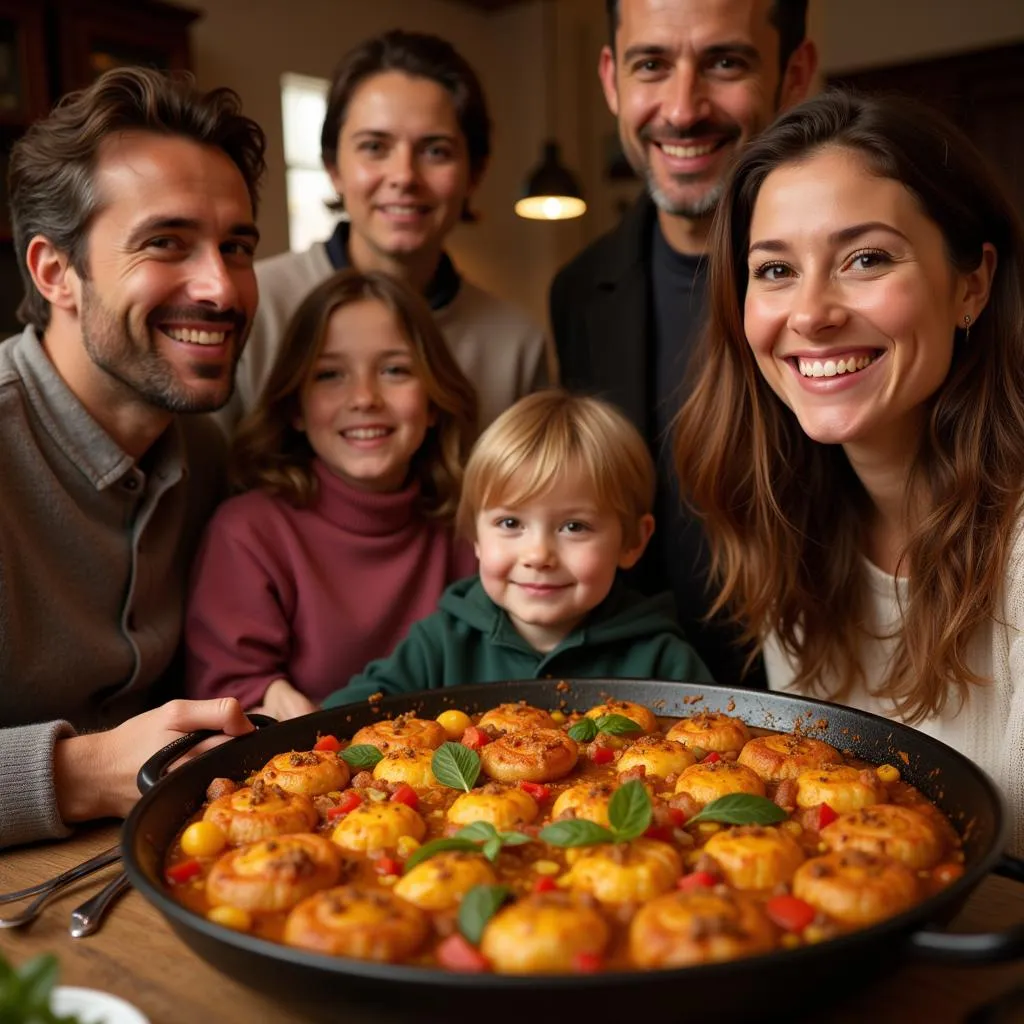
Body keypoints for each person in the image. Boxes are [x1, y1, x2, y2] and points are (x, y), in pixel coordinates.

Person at [673, 90, 1023, 855]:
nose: (811, 313)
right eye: (774, 270)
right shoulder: (788, 518)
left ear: (973, 284)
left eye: (865, 258)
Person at [0, 67, 267, 849]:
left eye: (237, 246)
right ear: (55, 273)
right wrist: (80, 772)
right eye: (167, 243)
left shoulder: (210, 452)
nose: (221, 287)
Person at [549, 0, 816, 686]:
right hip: (643, 718)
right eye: (651, 65)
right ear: (611, 79)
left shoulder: (842, 283)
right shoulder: (578, 290)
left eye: (725, 62)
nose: (682, 108)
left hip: (824, 701)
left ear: (795, 73)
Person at [217, 28, 552, 437]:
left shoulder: (516, 346)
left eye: (435, 151)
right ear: (333, 167)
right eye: (374, 147)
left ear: (475, 173)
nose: (404, 176)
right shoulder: (255, 307)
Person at [185, 269, 479, 719]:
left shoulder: (473, 526)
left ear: (435, 400)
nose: (364, 398)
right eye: (330, 374)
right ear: (295, 408)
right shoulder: (250, 532)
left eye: (394, 370)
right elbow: (228, 693)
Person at [324, 389, 712, 708]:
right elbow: (339, 722)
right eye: (510, 524)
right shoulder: (440, 643)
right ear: (476, 537)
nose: (538, 555)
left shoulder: (663, 659)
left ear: (633, 541)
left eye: (574, 526)